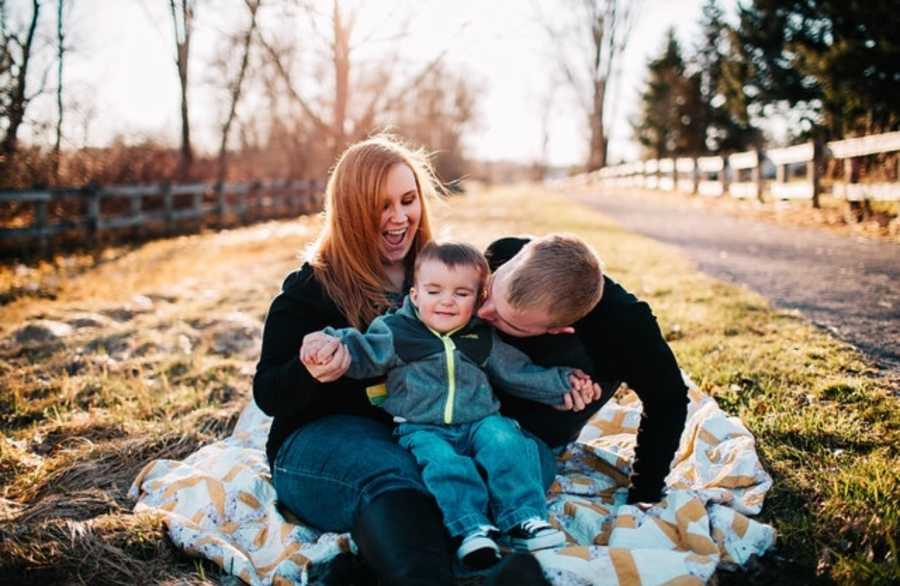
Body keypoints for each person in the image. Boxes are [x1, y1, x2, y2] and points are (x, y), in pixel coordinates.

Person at [253, 135, 559, 585]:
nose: (399, 218)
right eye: (380, 206)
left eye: (408, 199)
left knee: (524, 456)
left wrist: (528, 318)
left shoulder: (439, 274)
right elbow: (269, 393)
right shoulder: (309, 290)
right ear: (350, 212)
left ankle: (355, 577)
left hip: (426, 429)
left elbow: (491, 341)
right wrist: (311, 371)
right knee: (396, 476)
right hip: (329, 438)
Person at [302, 241, 597, 569]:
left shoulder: (480, 337)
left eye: (461, 293)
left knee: (507, 442)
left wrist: (563, 384)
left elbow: (517, 372)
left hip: (481, 420)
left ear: (477, 298)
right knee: (444, 464)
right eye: (434, 291)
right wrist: (331, 345)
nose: (446, 301)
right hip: (421, 426)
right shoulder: (396, 332)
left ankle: (524, 519)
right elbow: (363, 353)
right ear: (414, 295)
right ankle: (471, 529)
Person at [476, 234, 690, 505]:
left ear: (557, 329)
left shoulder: (627, 327)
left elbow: (668, 402)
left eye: (501, 318)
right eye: (490, 289)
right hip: (474, 402)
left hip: (534, 432)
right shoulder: (502, 253)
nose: (482, 312)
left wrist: (644, 491)